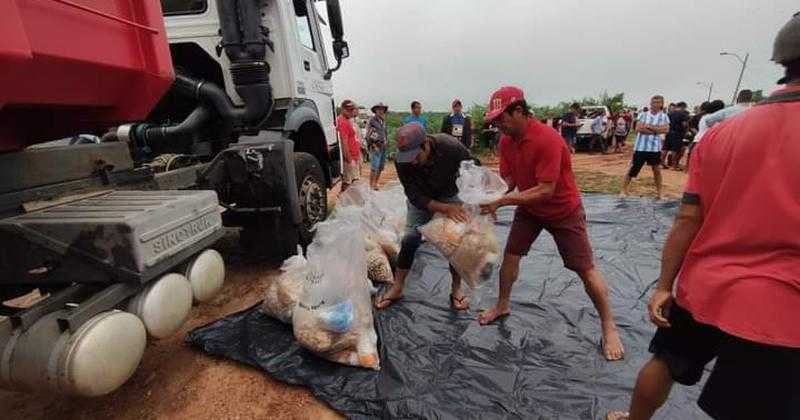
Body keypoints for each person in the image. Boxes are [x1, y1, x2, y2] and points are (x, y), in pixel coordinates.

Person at [607, 14, 800, 420]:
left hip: (707, 284)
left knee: (664, 363)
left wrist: (663, 286)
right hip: (782, 307)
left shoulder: (723, 133)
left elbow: (687, 218)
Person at [478, 86, 625, 361]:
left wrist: (503, 202)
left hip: (562, 210)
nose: (498, 125)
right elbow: (509, 180)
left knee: (585, 268)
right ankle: (502, 304)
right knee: (511, 256)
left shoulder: (548, 140)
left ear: (519, 111)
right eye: (495, 120)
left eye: (502, 118)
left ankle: (609, 325)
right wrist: (490, 195)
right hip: (529, 209)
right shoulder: (506, 141)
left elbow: (546, 189)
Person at [374, 123, 475, 311]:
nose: (412, 162)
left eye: (416, 156)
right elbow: (414, 196)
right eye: (407, 158)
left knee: (455, 242)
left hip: (449, 194)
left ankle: (456, 289)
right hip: (422, 199)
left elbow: (473, 168)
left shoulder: (451, 147)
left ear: (426, 144)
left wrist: (468, 198)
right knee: (410, 239)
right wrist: (443, 208)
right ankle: (397, 287)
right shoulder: (401, 160)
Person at [619, 96, 670, 199]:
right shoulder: (643, 114)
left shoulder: (664, 116)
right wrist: (657, 130)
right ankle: (623, 190)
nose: (655, 104)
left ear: (661, 104)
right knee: (633, 169)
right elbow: (638, 128)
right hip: (640, 147)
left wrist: (649, 127)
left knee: (656, 170)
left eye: (658, 102)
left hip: (655, 148)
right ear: (650, 103)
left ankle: (659, 192)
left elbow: (666, 130)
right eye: (653, 102)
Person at [336, 99, 360, 192]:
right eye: (348, 110)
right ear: (343, 109)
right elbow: (344, 142)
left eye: (352, 109)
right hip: (349, 158)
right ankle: (344, 201)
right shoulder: (343, 122)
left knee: (352, 181)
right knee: (348, 182)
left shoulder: (347, 120)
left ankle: (348, 201)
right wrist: (349, 159)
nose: (351, 112)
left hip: (353, 156)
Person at [366, 102, 389, 191]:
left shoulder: (383, 121)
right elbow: (368, 135)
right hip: (376, 146)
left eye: (382, 109)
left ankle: (375, 183)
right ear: (375, 110)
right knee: (374, 166)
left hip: (383, 146)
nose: (381, 111)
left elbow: (385, 133)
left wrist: (386, 140)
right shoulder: (372, 121)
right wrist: (373, 145)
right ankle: (371, 185)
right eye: (379, 109)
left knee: (380, 166)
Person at [663, 102, 690, 170]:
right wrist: (686, 129)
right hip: (677, 134)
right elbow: (684, 124)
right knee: (675, 150)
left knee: (665, 148)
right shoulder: (683, 114)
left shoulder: (669, 114)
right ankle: (673, 166)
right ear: (683, 107)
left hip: (669, 132)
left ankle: (661, 163)